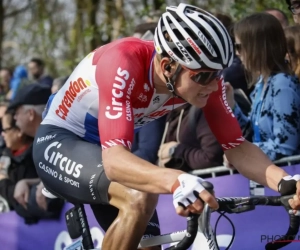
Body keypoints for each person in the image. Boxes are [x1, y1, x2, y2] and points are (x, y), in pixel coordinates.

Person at [33, 4, 300, 250]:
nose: (213, 83)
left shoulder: (207, 81)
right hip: (60, 142)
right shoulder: (123, 62)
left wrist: (285, 183)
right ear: (167, 66)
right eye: (203, 75)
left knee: (150, 244)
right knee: (140, 197)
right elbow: (114, 162)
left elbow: (236, 147)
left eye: (218, 73)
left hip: (102, 151)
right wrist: (177, 179)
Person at [225, 12, 300, 161]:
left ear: (257, 47)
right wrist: (232, 105)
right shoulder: (262, 82)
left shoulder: (282, 84)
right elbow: (254, 134)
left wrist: (243, 154)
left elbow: (285, 147)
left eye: (239, 47)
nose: (237, 53)